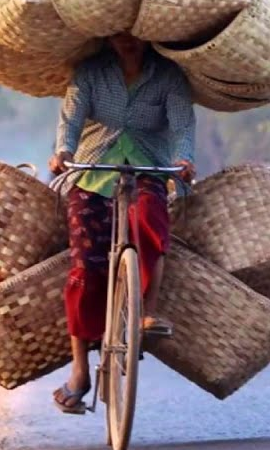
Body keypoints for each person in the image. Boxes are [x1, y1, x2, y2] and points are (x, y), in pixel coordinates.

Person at [47, 32, 196, 415]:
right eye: (118, 35)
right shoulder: (90, 73)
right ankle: (80, 371)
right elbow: (72, 117)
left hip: (147, 166)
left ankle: (147, 309)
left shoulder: (168, 76)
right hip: (93, 169)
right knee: (84, 266)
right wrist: (63, 152)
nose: (126, 41)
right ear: (108, 37)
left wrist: (183, 158)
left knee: (149, 220)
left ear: (148, 36)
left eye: (134, 35)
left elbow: (182, 125)